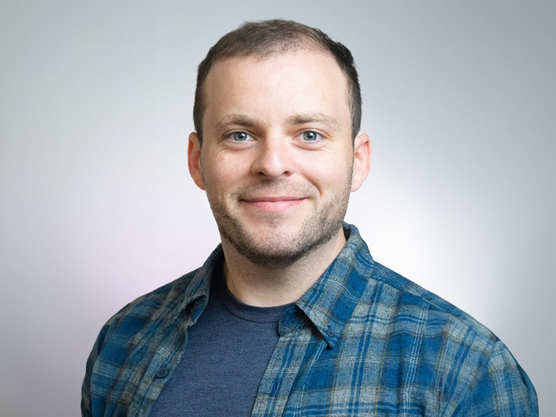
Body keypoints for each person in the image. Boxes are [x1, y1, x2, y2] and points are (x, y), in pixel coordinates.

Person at [81, 19, 538, 416]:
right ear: (198, 160)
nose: (273, 163)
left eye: (310, 134)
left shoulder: (466, 370)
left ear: (357, 162)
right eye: (240, 134)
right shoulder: (124, 342)